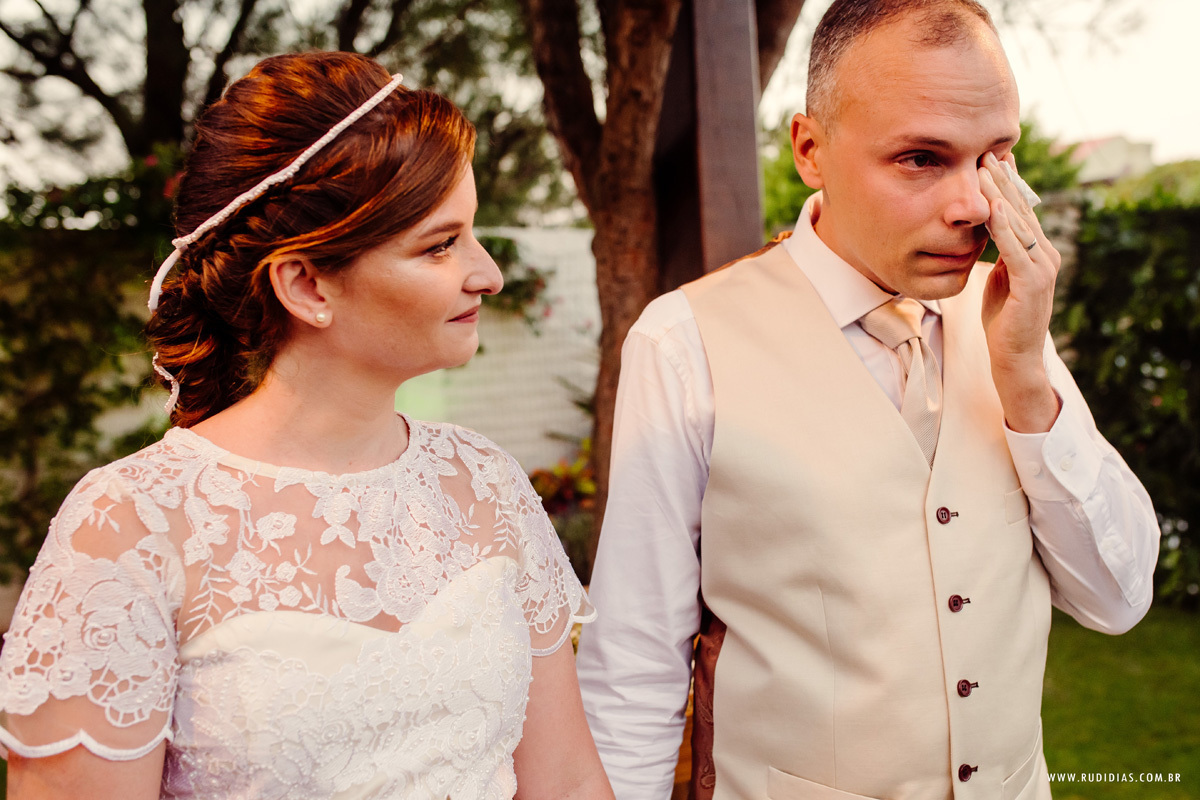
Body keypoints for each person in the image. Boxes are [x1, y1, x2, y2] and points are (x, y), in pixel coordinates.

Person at [576, 2, 1160, 799]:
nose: (975, 205)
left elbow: (1118, 599)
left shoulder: (1009, 318)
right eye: (922, 158)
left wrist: (1026, 378)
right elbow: (635, 664)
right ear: (810, 150)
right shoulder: (683, 344)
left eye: (996, 156)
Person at [0, 51, 613, 800]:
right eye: (440, 245)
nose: (488, 274)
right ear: (307, 284)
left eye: (471, 234)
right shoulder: (129, 527)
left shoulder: (486, 485)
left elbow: (569, 783)